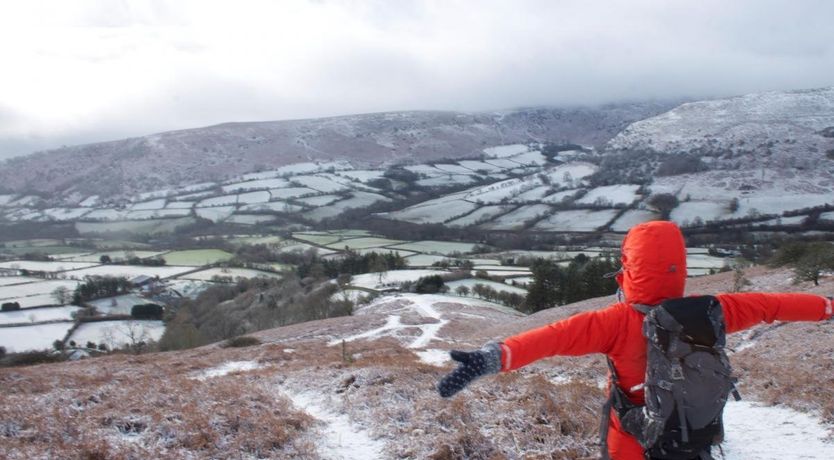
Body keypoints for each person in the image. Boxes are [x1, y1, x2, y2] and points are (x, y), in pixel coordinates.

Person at [437, 221, 832, 460]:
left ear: (630, 267)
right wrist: (828, 308)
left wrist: (493, 358)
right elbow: (774, 304)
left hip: (632, 433)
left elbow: (550, 338)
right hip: (693, 429)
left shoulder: (614, 321)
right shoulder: (715, 309)